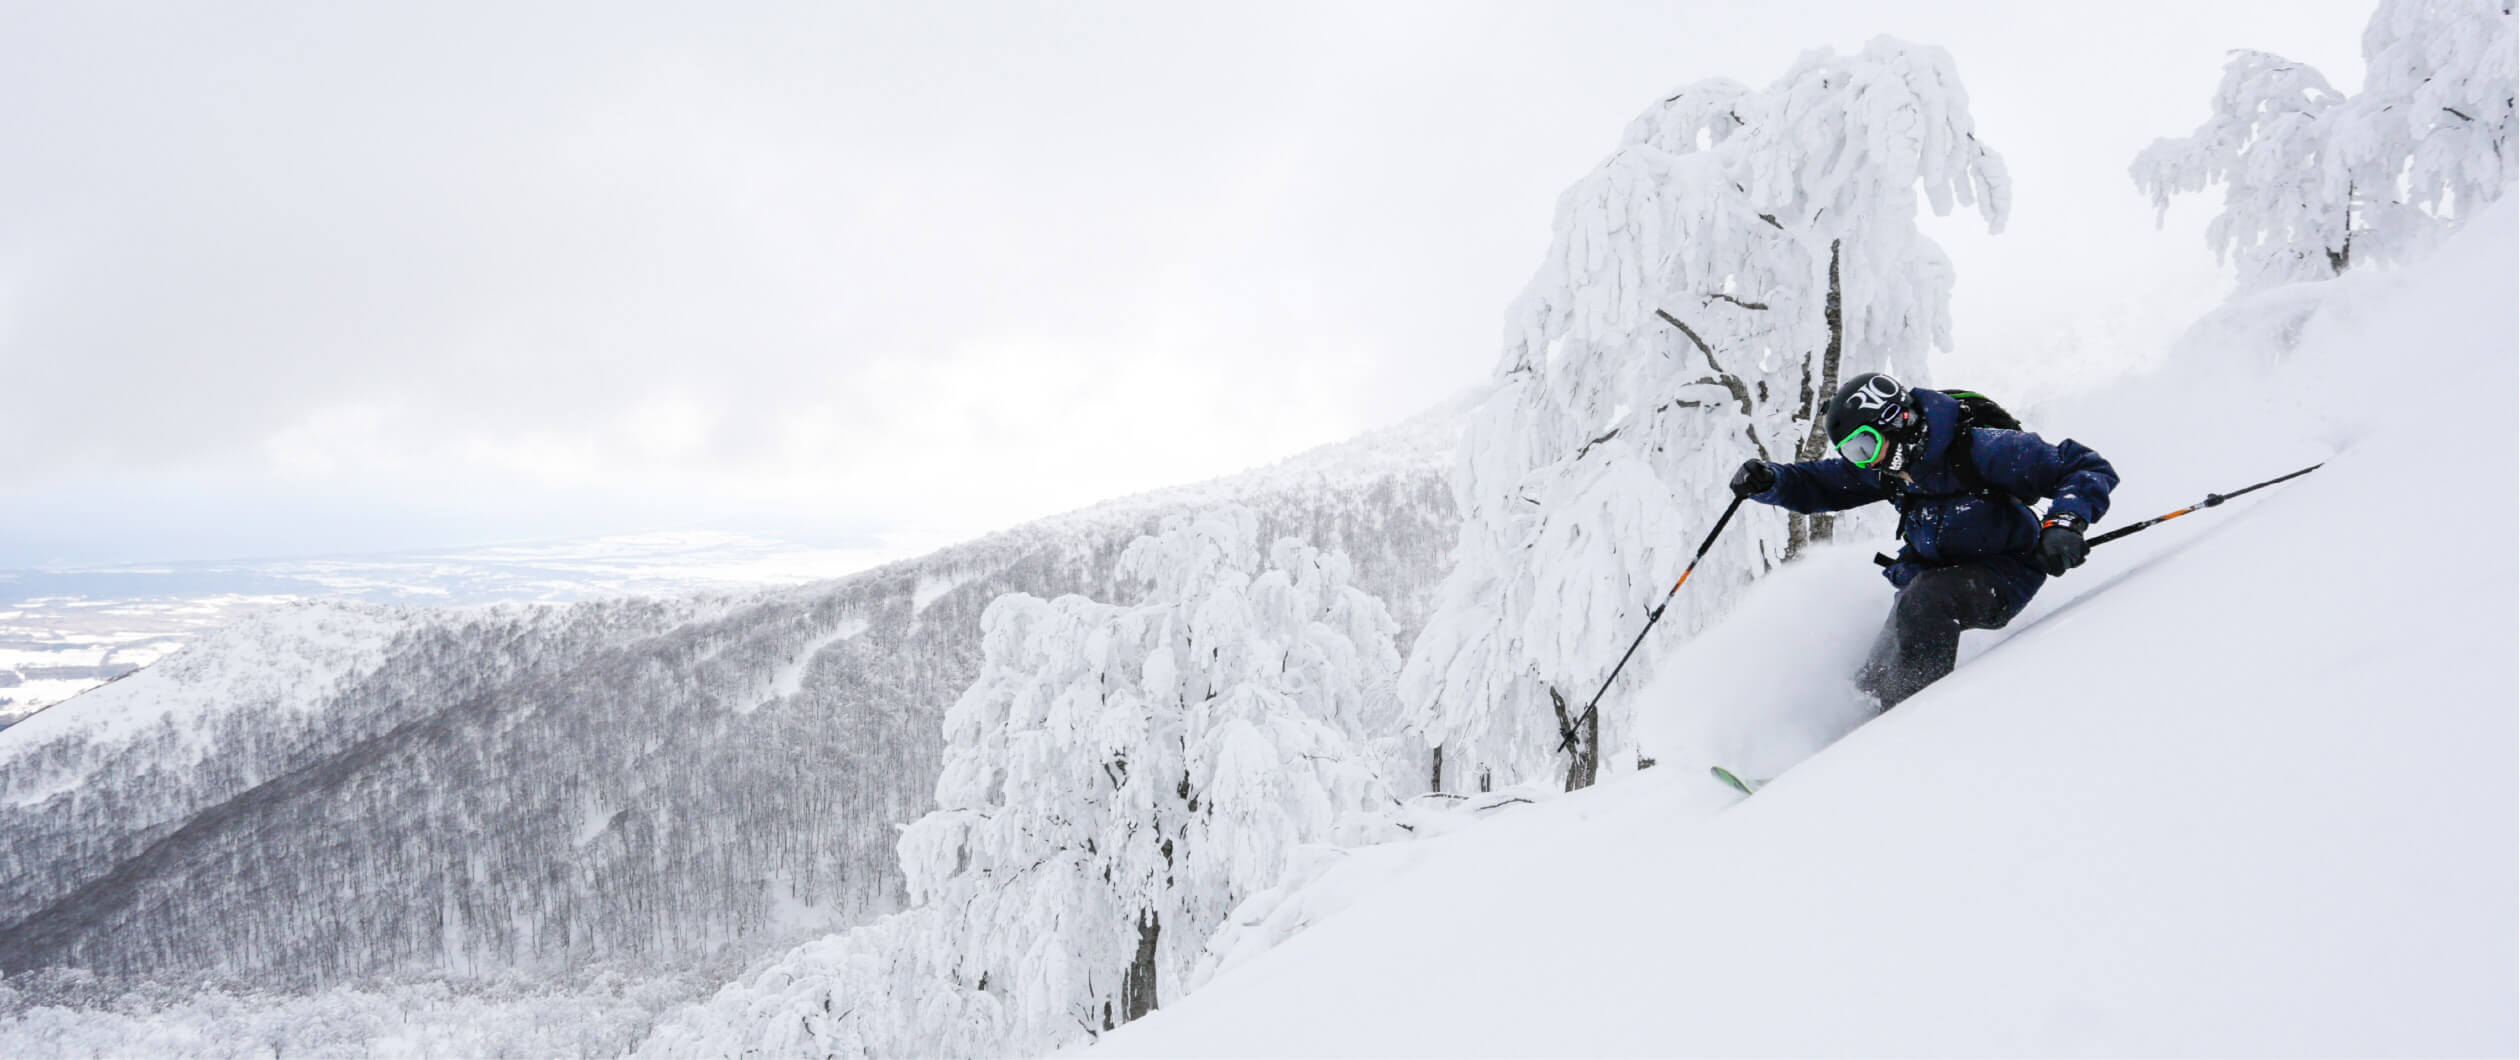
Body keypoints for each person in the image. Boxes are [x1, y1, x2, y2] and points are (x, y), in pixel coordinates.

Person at [1729, 372, 2119, 710]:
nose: (1865, 462)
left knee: (1925, 603)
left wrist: (2065, 523)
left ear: (1898, 421)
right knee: (1880, 660)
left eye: (1864, 447)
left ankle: (1908, 724)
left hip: (2006, 571)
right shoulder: (1889, 468)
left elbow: (2083, 465)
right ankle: (1851, 737)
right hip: (1933, 576)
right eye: (1852, 453)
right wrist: (1771, 481)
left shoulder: (1982, 449)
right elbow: (1821, 483)